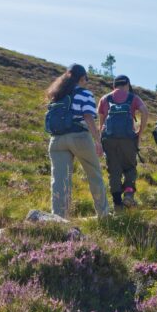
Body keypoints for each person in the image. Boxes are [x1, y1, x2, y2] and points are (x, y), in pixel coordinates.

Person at [44, 64, 111, 218]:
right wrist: (98, 140)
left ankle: (59, 218)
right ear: (81, 78)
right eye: (86, 79)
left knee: (59, 180)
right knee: (94, 174)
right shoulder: (85, 94)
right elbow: (88, 117)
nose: (86, 82)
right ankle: (104, 215)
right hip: (79, 137)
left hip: (56, 140)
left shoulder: (57, 94)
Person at [97, 74, 149, 208]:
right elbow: (145, 111)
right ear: (127, 85)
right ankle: (129, 194)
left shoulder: (105, 99)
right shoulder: (133, 98)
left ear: (114, 85)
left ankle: (117, 203)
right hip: (128, 139)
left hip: (109, 139)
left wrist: (100, 141)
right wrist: (140, 132)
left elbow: (101, 124)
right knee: (130, 168)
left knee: (114, 170)